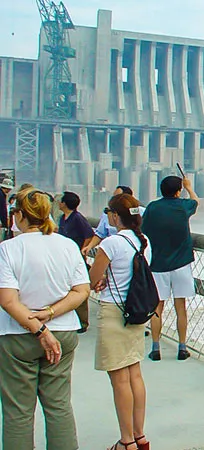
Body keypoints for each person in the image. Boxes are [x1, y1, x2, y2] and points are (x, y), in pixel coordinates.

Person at [0, 188, 90, 449]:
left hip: (18, 336)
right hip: (63, 332)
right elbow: (81, 291)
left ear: (20, 215)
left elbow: (7, 300)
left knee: (18, 411)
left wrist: (39, 330)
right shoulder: (67, 245)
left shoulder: (8, 249)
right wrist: (51, 314)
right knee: (58, 405)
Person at [88, 194, 153, 450]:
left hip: (114, 313)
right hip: (135, 312)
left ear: (115, 216)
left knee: (119, 379)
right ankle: (140, 436)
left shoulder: (111, 242)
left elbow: (93, 277)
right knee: (135, 374)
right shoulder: (141, 240)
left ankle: (126, 442)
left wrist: (100, 279)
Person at [142, 176, 199, 361]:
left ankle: (155, 347)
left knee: (157, 307)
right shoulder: (183, 206)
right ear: (178, 191)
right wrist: (189, 187)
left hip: (158, 264)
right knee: (180, 307)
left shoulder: (152, 207)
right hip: (181, 264)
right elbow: (196, 202)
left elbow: (143, 228)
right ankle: (182, 348)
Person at [57, 191, 96, 333]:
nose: (59, 203)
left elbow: (89, 234)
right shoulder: (63, 218)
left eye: (61, 201)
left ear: (65, 204)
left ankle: (82, 322)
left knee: (78, 286)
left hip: (75, 258)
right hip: (64, 258)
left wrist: (82, 249)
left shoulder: (78, 218)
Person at [82, 186, 145, 256]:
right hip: (113, 250)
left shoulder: (140, 211)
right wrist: (89, 246)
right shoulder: (108, 212)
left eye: (117, 197)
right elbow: (100, 233)